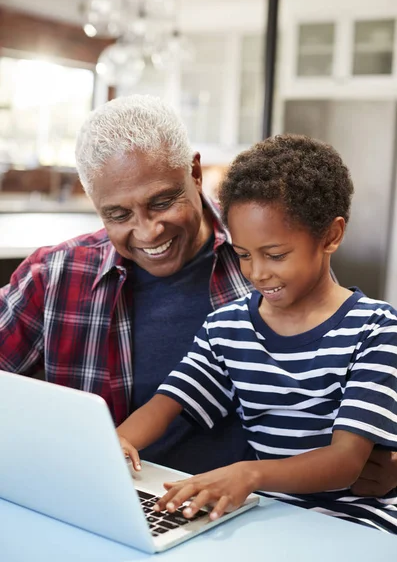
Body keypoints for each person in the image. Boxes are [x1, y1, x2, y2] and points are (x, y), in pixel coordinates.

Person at [0, 96, 396, 491]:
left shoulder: (278, 245)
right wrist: (102, 449)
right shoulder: (54, 277)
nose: (148, 231)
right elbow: (170, 401)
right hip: (135, 497)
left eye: (161, 202)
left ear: (194, 171)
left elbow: (349, 428)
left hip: (264, 506)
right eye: (118, 214)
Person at [117, 134, 397, 532]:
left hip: (359, 521)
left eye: (276, 255)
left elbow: (345, 463)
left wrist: (249, 474)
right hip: (270, 515)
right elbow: (167, 404)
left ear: (331, 236)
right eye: (243, 255)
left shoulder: (375, 329)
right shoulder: (227, 327)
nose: (257, 272)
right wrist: (119, 441)